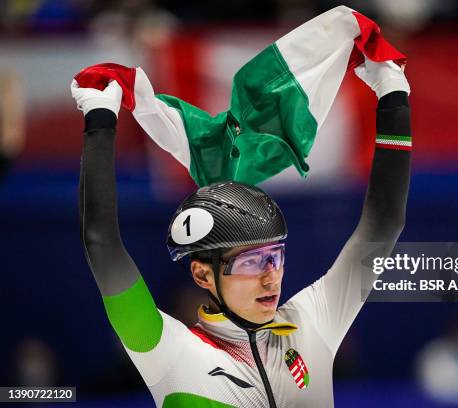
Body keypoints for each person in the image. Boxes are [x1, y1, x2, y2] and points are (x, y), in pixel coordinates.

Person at [73, 56, 412, 407]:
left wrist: (393, 95)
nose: (271, 279)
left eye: (274, 258)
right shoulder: (169, 353)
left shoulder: (312, 322)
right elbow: (101, 243)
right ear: (202, 274)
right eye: (250, 262)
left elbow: (383, 223)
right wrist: (99, 118)